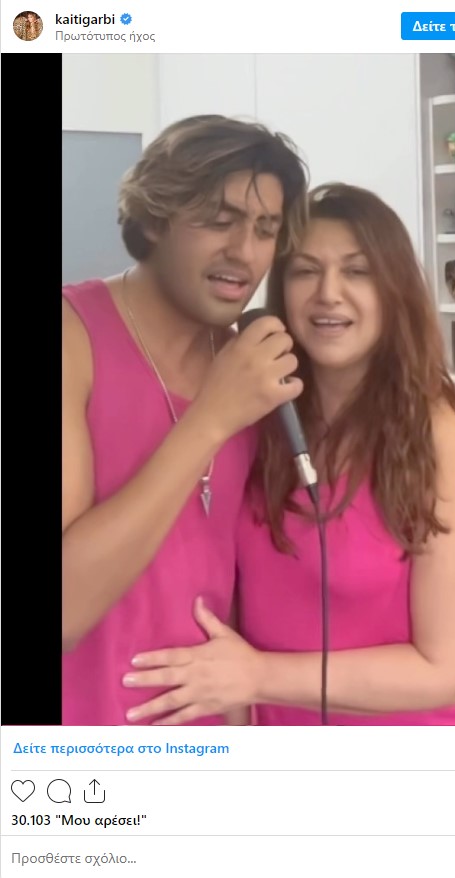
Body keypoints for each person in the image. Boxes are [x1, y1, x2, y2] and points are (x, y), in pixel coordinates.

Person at [122, 183, 455, 726]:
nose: (328, 294)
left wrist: (258, 676)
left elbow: (449, 671)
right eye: (306, 271)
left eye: (357, 271)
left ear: (395, 290)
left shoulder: (441, 433)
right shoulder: (259, 417)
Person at [62, 115, 308, 725]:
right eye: (220, 221)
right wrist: (211, 419)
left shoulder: (248, 361)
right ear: (154, 218)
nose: (244, 253)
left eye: (265, 230)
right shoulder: (73, 338)